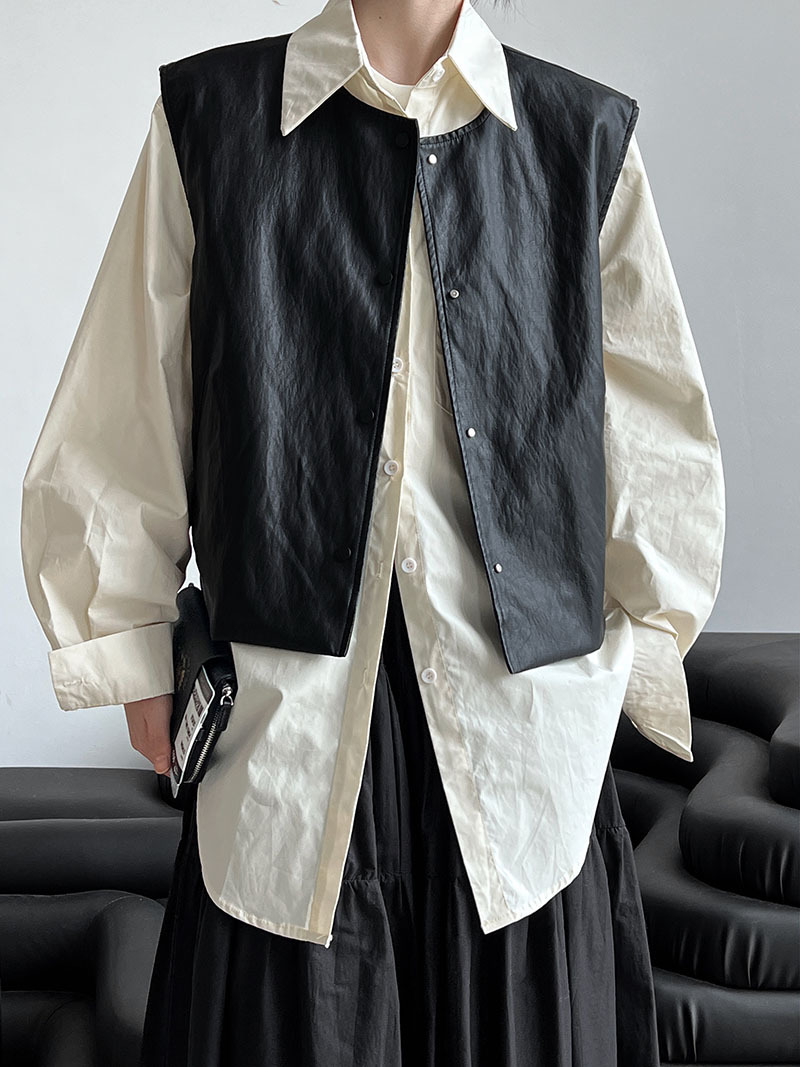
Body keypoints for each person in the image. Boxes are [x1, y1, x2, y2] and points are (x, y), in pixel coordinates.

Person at [19, 0, 726, 1063]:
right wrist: (125, 647)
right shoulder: (211, 118)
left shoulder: (580, 136)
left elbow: (655, 429)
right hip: (288, 728)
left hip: (521, 740)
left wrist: (637, 647)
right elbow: (125, 402)